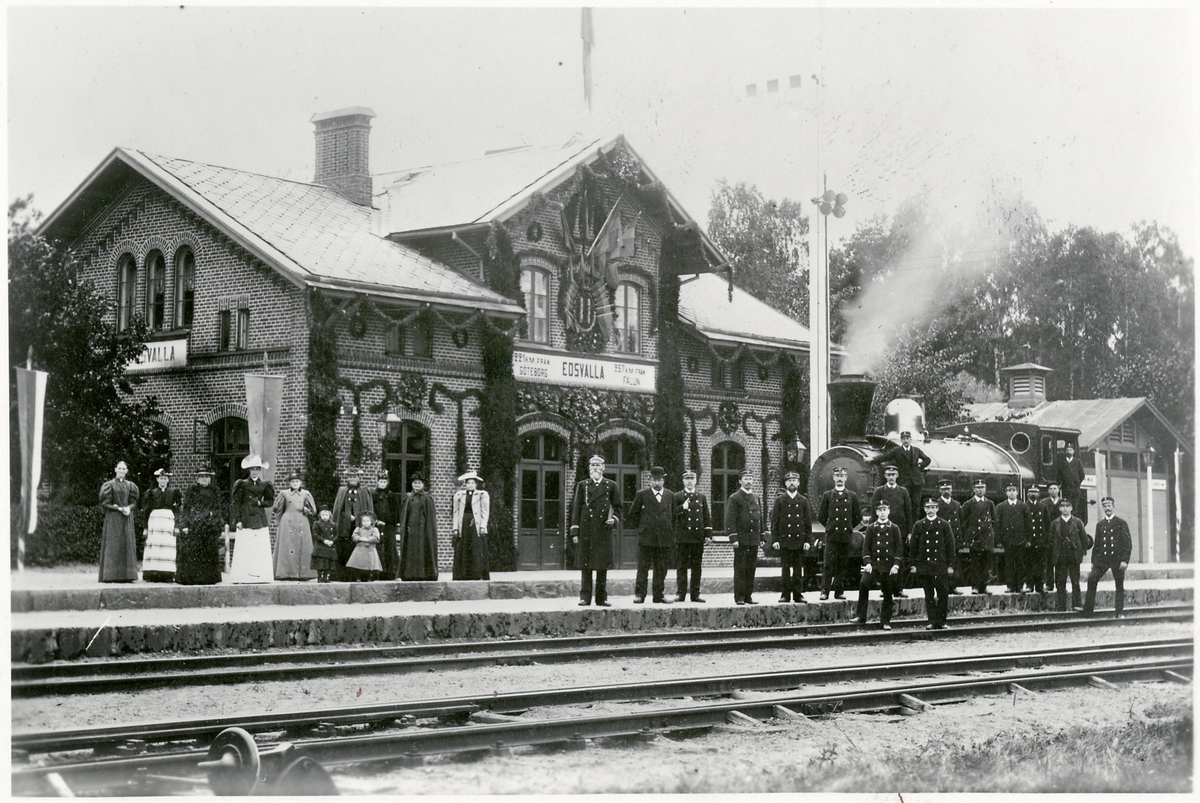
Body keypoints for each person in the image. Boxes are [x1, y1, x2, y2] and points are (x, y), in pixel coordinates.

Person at [570, 455, 621, 607]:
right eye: (592, 465)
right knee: (586, 566)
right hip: (586, 530)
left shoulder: (611, 485)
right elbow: (576, 509)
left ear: (603, 467)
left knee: (602, 565)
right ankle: (585, 597)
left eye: (598, 465)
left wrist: (614, 520)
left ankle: (601, 598)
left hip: (603, 530)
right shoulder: (582, 485)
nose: (595, 468)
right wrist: (575, 531)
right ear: (589, 468)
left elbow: (618, 508)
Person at [627, 466, 676, 604]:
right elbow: (633, 515)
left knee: (661, 567)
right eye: (654, 480)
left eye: (659, 480)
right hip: (647, 537)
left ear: (663, 480)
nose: (657, 483)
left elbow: (674, 517)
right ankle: (640, 594)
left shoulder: (670, 496)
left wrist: (670, 531)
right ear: (649, 480)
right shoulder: (642, 495)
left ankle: (658, 595)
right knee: (643, 567)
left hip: (663, 538)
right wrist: (642, 529)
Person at [856, 500, 903, 631]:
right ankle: (861, 616)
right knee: (864, 583)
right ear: (876, 512)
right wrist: (867, 563)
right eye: (880, 510)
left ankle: (885, 621)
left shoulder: (894, 528)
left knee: (888, 592)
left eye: (885, 510)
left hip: (888, 566)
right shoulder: (871, 528)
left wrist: (896, 565)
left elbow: (899, 549)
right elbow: (866, 548)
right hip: (874, 565)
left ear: (889, 511)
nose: (882, 513)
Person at [228, 455, 276, 584]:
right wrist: (238, 520)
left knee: (259, 547)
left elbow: (270, 501)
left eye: (257, 469)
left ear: (260, 470)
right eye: (252, 469)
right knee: (246, 547)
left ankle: (260, 576)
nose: (255, 471)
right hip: (245, 519)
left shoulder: (265, 485)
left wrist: (260, 503)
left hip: (259, 519)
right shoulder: (242, 484)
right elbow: (236, 503)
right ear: (249, 470)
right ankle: (243, 576)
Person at [175, 461, 224, 585]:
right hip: (194, 525)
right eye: (202, 477)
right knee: (193, 551)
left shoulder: (215, 491)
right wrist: (185, 525)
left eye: (207, 476)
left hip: (209, 526)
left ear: (210, 479)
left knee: (209, 551)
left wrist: (213, 520)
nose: (204, 479)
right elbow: (186, 509)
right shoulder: (192, 490)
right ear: (197, 479)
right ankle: (192, 578)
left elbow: (218, 509)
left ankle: (208, 578)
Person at [910, 497, 955, 630]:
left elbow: (950, 547)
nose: (930, 510)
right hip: (925, 566)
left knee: (943, 593)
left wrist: (951, 565)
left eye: (933, 507)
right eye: (928, 507)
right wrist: (913, 565)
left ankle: (941, 621)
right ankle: (931, 621)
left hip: (940, 565)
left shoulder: (944, 524)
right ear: (924, 509)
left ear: (937, 509)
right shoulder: (919, 525)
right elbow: (913, 547)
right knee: (928, 595)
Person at [1083, 497, 1133, 618]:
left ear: (1113, 506)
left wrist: (1125, 560)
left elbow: (1127, 544)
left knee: (1119, 585)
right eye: (1105, 506)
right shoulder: (1100, 524)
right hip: (1102, 559)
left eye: (1109, 505)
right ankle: (1088, 611)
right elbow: (1097, 545)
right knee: (1092, 579)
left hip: (1117, 560)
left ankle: (1119, 612)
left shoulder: (1121, 523)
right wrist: (1093, 561)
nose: (1107, 508)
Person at [818, 467, 860, 600]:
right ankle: (824, 591)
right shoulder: (828, 495)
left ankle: (839, 591)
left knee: (842, 564)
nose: (840, 478)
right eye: (837, 475)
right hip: (832, 536)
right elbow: (821, 516)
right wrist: (830, 527)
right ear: (834, 478)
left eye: (842, 476)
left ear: (846, 478)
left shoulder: (852, 496)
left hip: (845, 535)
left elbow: (857, 516)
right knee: (828, 564)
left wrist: (848, 527)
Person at [770, 470, 812, 603]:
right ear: (786, 483)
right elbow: (774, 522)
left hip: (799, 540)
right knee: (785, 569)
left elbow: (808, 523)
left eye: (794, 480)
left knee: (798, 569)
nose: (791, 483)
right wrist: (775, 540)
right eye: (789, 481)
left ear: (798, 483)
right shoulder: (780, 500)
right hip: (784, 540)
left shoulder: (803, 501)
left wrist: (807, 541)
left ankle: (798, 594)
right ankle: (785, 594)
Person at [726, 468, 765, 605]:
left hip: (753, 539)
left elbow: (760, 518)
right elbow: (730, 519)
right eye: (746, 479)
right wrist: (733, 538)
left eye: (750, 479)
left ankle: (748, 596)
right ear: (740, 481)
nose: (749, 481)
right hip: (741, 540)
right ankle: (740, 597)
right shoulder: (734, 498)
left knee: (751, 568)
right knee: (740, 568)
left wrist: (762, 536)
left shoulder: (756, 498)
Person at [871, 465, 912, 596]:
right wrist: (873, 530)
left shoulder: (903, 491)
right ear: (885, 476)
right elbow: (873, 512)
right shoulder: (879, 491)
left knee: (899, 558)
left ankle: (899, 589)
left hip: (900, 530)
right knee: (885, 560)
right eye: (888, 475)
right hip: (883, 530)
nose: (891, 477)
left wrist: (909, 532)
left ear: (897, 476)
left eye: (893, 474)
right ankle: (885, 590)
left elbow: (908, 512)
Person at [271, 470, 317, 581]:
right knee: (287, 546)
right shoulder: (284, 493)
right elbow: (276, 508)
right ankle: (285, 572)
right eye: (292, 481)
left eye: (297, 481)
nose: (295, 483)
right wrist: (278, 520)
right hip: (287, 522)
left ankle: (303, 574)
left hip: (301, 521)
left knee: (302, 546)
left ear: (300, 482)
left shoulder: (306, 494)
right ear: (289, 483)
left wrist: (305, 509)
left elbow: (313, 510)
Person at [673, 469, 711, 602]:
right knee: (681, 566)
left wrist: (708, 534)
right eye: (687, 479)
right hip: (683, 536)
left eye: (692, 479)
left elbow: (706, 516)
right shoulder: (677, 496)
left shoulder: (701, 497)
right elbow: (671, 515)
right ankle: (681, 593)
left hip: (697, 537)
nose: (689, 481)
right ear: (683, 481)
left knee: (696, 566)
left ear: (696, 481)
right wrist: (681, 508)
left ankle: (695, 594)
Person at [98, 461, 140, 583]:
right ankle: (111, 575)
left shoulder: (130, 485)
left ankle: (127, 575)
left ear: (126, 471)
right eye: (119, 468)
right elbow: (104, 503)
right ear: (115, 470)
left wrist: (129, 508)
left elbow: (134, 502)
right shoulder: (109, 485)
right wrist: (117, 508)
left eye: (123, 469)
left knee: (126, 544)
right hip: (113, 518)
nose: (121, 471)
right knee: (114, 544)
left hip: (126, 517)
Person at [140, 467, 181, 582]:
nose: (163, 480)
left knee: (167, 547)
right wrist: (145, 528)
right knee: (155, 546)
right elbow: (146, 511)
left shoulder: (173, 493)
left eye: (165, 478)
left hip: (168, 521)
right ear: (157, 479)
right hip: (155, 522)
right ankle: (152, 573)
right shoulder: (151, 493)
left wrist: (177, 526)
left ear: (168, 480)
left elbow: (177, 510)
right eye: (161, 478)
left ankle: (167, 574)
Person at [332, 467, 374, 581]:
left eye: (354, 477)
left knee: (360, 548)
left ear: (359, 478)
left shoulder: (364, 491)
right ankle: (345, 575)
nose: (352, 479)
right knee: (345, 549)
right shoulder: (342, 490)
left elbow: (368, 508)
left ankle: (361, 575)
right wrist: (347, 516)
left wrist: (359, 517)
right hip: (345, 526)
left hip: (359, 525)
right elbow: (338, 509)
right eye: (350, 477)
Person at [873, 430, 931, 509]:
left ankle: (915, 517)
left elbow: (927, 459)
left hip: (917, 482)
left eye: (907, 438)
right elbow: (885, 457)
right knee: (904, 503)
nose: (905, 440)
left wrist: (919, 466)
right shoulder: (897, 450)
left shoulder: (916, 450)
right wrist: (873, 459)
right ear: (901, 440)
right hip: (904, 482)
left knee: (916, 504)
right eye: (903, 439)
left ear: (910, 439)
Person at [398, 473, 439, 581]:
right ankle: (409, 574)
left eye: (419, 483)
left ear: (423, 485)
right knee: (410, 550)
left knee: (422, 550)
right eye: (415, 483)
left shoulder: (427, 498)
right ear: (412, 484)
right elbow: (404, 515)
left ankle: (423, 574)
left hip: (422, 530)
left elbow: (430, 517)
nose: (417, 485)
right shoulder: (408, 497)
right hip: (410, 530)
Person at [451, 470, 490, 581]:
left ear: (476, 484)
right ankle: (462, 574)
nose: (470, 485)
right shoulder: (459, 495)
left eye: (472, 483)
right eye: (468, 483)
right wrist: (455, 528)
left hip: (475, 524)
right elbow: (456, 512)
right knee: (463, 547)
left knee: (476, 548)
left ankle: (476, 573)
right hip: (463, 524)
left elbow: (485, 512)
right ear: (465, 484)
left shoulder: (482, 495)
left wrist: (483, 526)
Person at [993, 482, 1032, 593]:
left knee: (1020, 564)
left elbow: (1028, 524)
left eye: (1013, 490)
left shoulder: (1023, 506)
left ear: (1017, 492)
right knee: (1009, 564)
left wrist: (1028, 539)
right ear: (1006, 493)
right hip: (1007, 540)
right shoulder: (1001, 507)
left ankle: (1020, 586)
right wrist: (999, 540)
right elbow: (997, 525)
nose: (1011, 492)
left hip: (1020, 540)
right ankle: (1010, 586)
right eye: (1009, 490)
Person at [1051, 497, 1087, 611]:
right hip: (1060, 556)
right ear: (1059, 508)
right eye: (1062, 506)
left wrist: (1080, 553)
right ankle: (1061, 606)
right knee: (1060, 582)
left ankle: (1077, 605)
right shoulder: (1055, 523)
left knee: (1075, 581)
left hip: (1073, 556)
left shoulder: (1078, 522)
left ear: (1071, 508)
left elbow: (1084, 539)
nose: (1065, 508)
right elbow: (1051, 541)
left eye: (1067, 506)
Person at [961, 480, 995, 595]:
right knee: (975, 563)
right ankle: (975, 587)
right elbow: (964, 521)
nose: (980, 490)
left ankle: (984, 587)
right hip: (974, 538)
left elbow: (994, 520)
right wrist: (968, 536)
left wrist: (990, 535)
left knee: (985, 564)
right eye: (978, 487)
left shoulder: (989, 503)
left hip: (986, 537)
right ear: (974, 489)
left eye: (982, 487)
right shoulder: (968, 504)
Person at [935, 480, 965, 594]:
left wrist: (961, 539)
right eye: (943, 489)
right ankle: (943, 588)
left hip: (954, 539)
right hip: (941, 539)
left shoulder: (957, 505)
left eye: (948, 489)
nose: (946, 491)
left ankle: (953, 586)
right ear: (940, 490)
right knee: (941, 563)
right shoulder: (936, 504)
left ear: (952, 490)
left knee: (953, 563)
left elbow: (962, 523)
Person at [371, 471, 402, 581]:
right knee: (379, 547)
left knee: (390, 547)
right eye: (381, 482)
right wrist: (376, 521)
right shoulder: (373, 495)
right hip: (377, 525)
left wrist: (393, 522)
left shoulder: (391, 495)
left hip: (389, 526)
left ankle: (391, 573)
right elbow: (371, 509)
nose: (382, 484)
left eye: (384, 482)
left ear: (387, 482)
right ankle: (378, 573)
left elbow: (395, 510)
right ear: (377, 482)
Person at [1025, 485, 1051, 594]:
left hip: (1041, 540)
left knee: (1041, 564)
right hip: (1029, 540)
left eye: (1035, 491)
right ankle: (1029, 586)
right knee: (1029, 563)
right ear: (1027, 493)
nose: (1033, 494)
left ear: (1039, 494)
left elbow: (1047, 524)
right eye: (1031, 491)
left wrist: (1046, 539)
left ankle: (1040, 586)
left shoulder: (1043, 507)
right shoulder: (1024, 506)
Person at [1055, 443, 1088, 526]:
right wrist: (1061, 483)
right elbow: (1058, 474)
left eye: (1070, 450)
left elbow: (1082, 475)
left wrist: (1076, 483)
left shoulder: (1077, 462)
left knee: (1074, 508)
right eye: (1067, 450)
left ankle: (1073, 525)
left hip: (1075, 490)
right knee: (1065, 506)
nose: (1069, 451)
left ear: (1073, 451)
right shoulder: (1062, 462)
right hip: (1065, 489)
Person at [346, 511, 383, 581]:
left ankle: (369, 576)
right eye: (364, 521)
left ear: (371, 522)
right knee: (358, 564)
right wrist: (359, 538)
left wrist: (368, 539)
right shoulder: (358, 529)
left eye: (367, 521)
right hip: (360, 549)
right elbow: (354, 536)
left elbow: (376, 538)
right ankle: (358, 576)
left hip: (370, 549)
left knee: (370, 565)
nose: (365, 523)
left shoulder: (374, 529)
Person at [311, 506, 339, 583]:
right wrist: (324, 540)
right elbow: (315, 534)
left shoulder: (333, 524)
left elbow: (336, 535)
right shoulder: (317, 524)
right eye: (323, 515)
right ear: (320, 515)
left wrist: (332, 541)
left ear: (329, 515)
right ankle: (320, 577)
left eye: (326, 515)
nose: (325, 517)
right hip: (321, 546)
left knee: (329, 562)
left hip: (330, 546)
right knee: (321, 563)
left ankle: (327, 576)